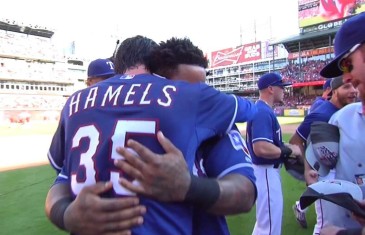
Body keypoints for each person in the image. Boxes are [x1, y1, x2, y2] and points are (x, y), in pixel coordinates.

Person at [45, 35, 258, 235]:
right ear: (156, 70)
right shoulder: (191, 100)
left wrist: (64, 215)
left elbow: (245, 193)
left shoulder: (76, 102)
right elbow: (250, 110)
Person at [114, 37, 257, 235]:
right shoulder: (124, 127)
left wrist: (190, 187)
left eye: (203, 88)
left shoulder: (216, 125)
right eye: (186, 88)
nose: (199, 95)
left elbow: (245, 194)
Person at [290, 76, 357, 232]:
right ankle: (300, 207)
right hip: (327, 175)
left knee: (345, 221)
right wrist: (309, 168)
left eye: (354, 86)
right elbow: (296, 140)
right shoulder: (321, 114)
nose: (353, 91)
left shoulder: (349, 111)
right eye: (346, 87)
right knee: (325, 224)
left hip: (347, 173)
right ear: (334, 91)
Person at [246, 72, 302, 235]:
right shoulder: (263, 111)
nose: (284, 90)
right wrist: (290, 150)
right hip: (265, 172)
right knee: (269, 227)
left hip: (265, 172)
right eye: (281, 87)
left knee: (265, 224)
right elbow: (261, 147)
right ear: (270, 89)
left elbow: (269, 144)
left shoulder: (262, 109)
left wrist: (286, 147)